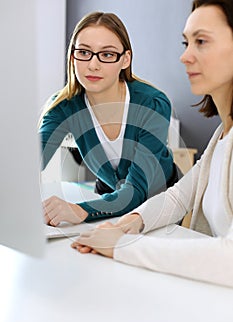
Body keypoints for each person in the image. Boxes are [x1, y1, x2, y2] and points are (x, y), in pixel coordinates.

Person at [72, 0, 233, 288]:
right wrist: (128, 223)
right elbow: (177, 197)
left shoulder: (150, 103)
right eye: (186, 42)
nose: (185, 56)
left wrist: (122, 246)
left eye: (201, 41)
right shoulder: (222, 137)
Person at [39, 11, 179, 227]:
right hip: (109, 200)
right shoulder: (62, 106)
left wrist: (79, 210)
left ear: (125, 59)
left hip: (158, 203)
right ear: (72, 56)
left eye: (107, 55)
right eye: (84, 52)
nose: (93, 65)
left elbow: (137, 190)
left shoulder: (152, 104)